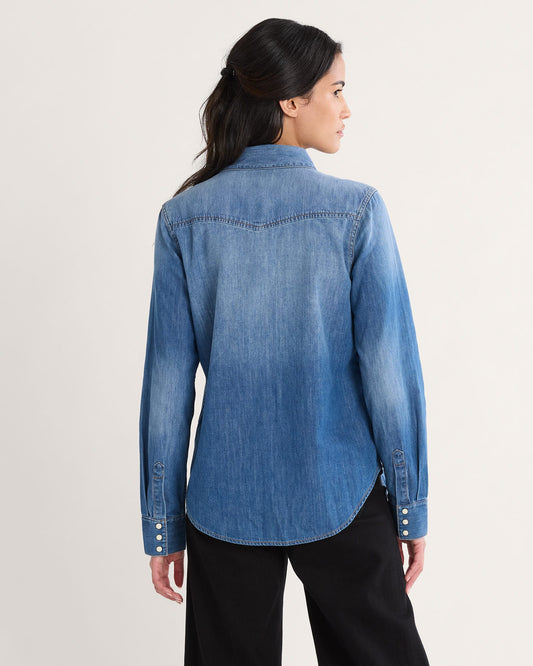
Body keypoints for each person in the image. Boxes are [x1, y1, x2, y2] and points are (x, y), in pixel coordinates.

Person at [138, 17, 430, 666]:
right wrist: (410, 506)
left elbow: (166, 389)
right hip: (342, 492)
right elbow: (389, 373)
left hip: (222, 503)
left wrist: (162, 522)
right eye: (336, 90)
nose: (346, 109)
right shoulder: (356, 212)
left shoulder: (184, 219)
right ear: (291, 100)